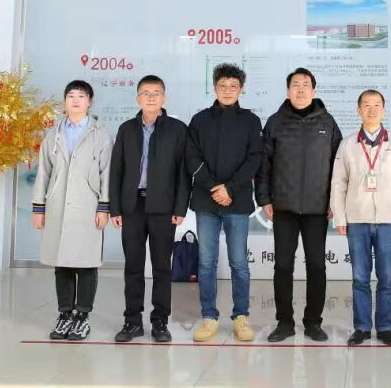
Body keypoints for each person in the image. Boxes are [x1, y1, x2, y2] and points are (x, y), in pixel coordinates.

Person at [256, 68, 342, 343]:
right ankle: (284, 322)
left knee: (317, 265)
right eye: (295, 85)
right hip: (284, 207)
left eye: (306, 85)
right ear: (288, 90)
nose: (301, 89)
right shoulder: (275, 122)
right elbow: (263, 165)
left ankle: (313, 322)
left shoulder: (327, 123)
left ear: (314, 91)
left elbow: (338, 168)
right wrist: (265, 199)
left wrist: (334, 202)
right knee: (283, 266)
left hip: (318, 209)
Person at [186, 63, 264, 343]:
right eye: (222, 86)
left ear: (241, 89)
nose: (228, 91)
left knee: (239, 262)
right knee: (206, 262)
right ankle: (209, 317)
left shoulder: (251, 121)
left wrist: (230, 188)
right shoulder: (200, 120)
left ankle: (241, 317)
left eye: (233, 86)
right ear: (214, 87)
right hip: (206, 202)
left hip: (237, 200)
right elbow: (192, 158)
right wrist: (213, 188)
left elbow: (254, 158)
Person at [331, 90, 391, 346]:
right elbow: (338, 183)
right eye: (366, 105)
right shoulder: (347, 144)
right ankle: (362, 327)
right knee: (360, 277)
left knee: (387, 277)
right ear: (358, 110)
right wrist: (340, 219)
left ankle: (386, 327)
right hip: (357, 220)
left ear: (384, 110)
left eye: (377, 105)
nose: (372, 109)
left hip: (389, 220)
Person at [32, 80, 113, 342]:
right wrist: (39, 207)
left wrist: (104, 206)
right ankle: (64, 314)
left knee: (86, 264)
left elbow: (107, 173)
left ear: (89, 102)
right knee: (62, 263)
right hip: (57, 206)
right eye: (70, 96)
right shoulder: (52, 134)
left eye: (81, 96)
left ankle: (82, 317)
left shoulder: (100, 134)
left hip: (88, 206)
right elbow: (43, 173)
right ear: (64, 102)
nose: (75, 100)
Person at [109, 75, 189, 343]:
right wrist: (115, 208)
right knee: (133, 265)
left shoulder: (177, 129)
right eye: (146, 93)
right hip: (132, 207)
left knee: (161, 267)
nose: (151, 97)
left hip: (163, 208)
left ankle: (160, 322)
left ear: (164, 98)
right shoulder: (126, 129)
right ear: (138, 98)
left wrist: (180, 207)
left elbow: (183, 173)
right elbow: (116, 170)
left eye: (156, 93)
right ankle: (132, 321)